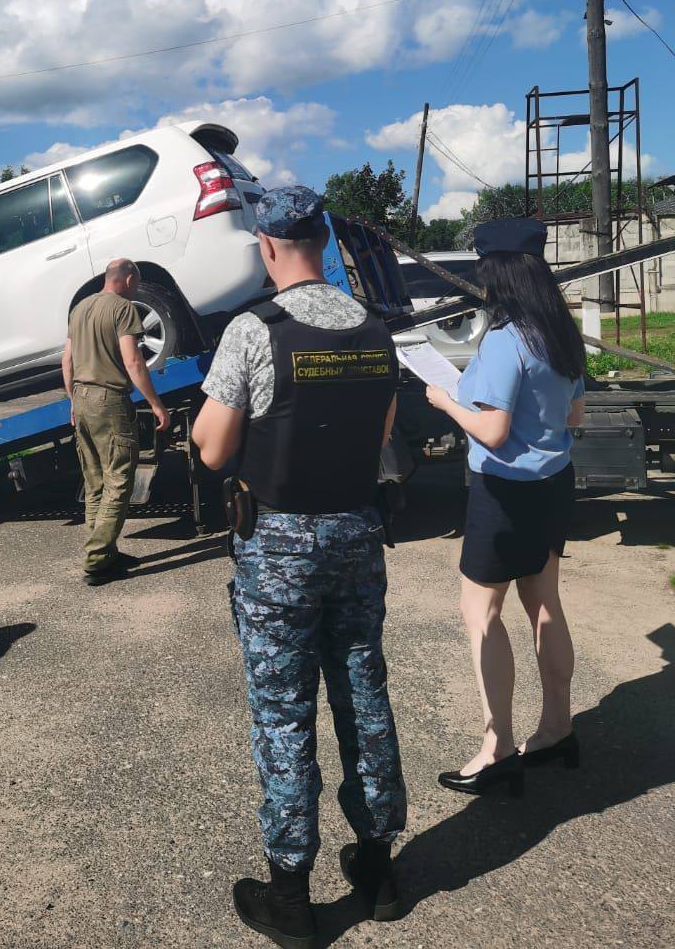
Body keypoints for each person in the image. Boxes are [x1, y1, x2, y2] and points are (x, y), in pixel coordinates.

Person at [192, 186, 406, 949]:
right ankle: (378, 868)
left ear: (269, 245)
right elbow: (381, 430)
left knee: (284, 714)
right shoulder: (376, 328)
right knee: (362, 691)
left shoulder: (255, 331)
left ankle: (290, 895)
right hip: (357, 533)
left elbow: (213, 449)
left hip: (280, 546)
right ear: (321, 241)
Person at [425, 217, 586, 798]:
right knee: (544, 602)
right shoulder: (561, 335)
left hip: (503, 492)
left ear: (495, 274)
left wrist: (446, 401)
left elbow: (491, 432)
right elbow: (574, 418)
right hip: (553, 484)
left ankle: (497, 749)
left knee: (481, 615)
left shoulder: (505, 338)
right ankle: (558, 729)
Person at [62, 258, 169, 586]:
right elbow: (134, 361)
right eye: (136, 283)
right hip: (109, 400)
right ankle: (97, 559)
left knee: (95, 482)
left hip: (81, 396)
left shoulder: (80, 308)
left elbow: (66, 360)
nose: (137, 288)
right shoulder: (123, 309)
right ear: (126, 279)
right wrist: (156, 404)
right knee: (120, 478)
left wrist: (73, 401)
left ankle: (103, 552)